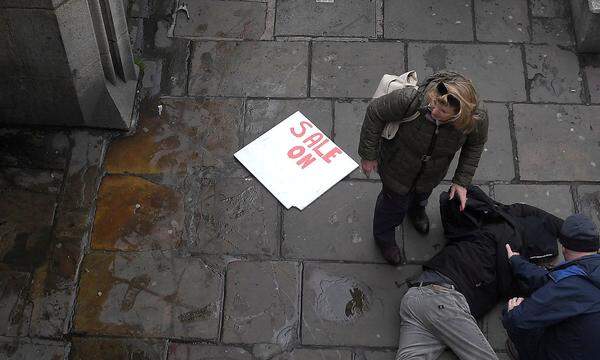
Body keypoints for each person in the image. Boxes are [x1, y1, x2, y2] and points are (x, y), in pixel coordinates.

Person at [397, 186, 562, 360]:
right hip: (443, 299)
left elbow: (519, 209)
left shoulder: (487, 224)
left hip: (415, 299)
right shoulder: (507, 244)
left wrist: (566, 230)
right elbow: (523, 284)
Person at [358, 71, 488, 265]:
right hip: (397, 169)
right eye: (434, 103)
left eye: (443, 112)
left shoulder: (475, 119)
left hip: (431, 174)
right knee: (391, 208)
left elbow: (475, 145)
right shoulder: (411, 100)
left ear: (459, 116)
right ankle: (384, 239)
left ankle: (416, 212)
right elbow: (376, 111)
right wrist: (368, 155)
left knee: (421, 197)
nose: (433, 111)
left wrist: (461, 181)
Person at [502, 214, 600, 360]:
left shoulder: (571, 286)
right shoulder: (588, 272)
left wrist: (513, 312)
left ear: (564, 248)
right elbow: (549, 279)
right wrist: (517, 262)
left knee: (514, 315)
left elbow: (518, 319)